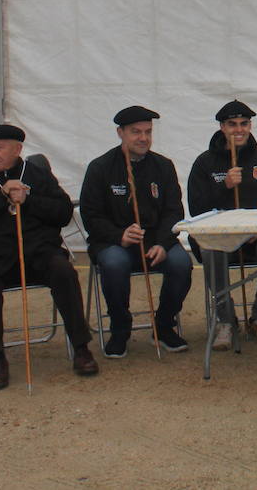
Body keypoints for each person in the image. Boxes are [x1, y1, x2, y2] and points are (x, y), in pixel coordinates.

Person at [0, 124, 99, 389]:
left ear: (17, 149)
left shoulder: (38, 176)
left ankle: (81, 347)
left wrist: (29, 199)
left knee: (64, 271)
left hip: (38, 253)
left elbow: (62, 212)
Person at [79, 105, 192, 358]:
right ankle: (120, 328)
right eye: (136, 132)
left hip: (155, 242)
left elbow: (174, 211)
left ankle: (163, 325)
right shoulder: (100, 168)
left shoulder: (163, 166)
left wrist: (164, 243)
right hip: (114, 242)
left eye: (148, 132)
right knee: (114, 263)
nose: (143, 138)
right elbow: (90, 215)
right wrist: (118, 235)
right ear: (120, 133)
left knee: (181, 263)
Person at [186, 100, 257, 349]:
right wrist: (225, 187)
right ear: (222, 127)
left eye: (244, 124)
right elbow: (197, 210)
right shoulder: (204, 163)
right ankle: (226, 320)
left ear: (250, 126)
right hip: (221, 237)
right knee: (210, 249)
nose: (239, 129)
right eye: (232, 125)